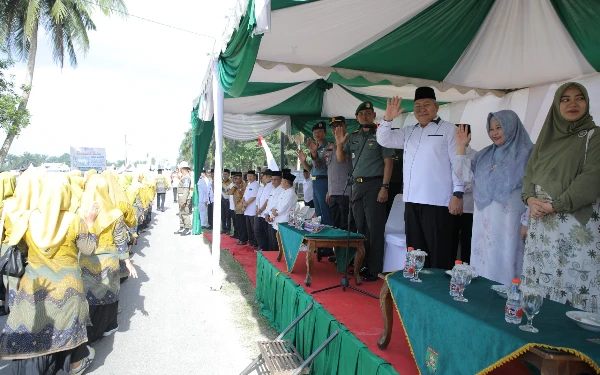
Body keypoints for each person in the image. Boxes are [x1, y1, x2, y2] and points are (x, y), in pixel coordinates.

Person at [0, 174, 98, 374]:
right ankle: (75, 365)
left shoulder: (27, 219)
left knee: (32, 325)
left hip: (35, 284)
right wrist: (90, 225)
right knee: (70, 324)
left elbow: (21, 248)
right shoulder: (74, 220)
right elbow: (88, 249)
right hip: (69, 286)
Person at [522, 82, 600, 311]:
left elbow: (593, 177)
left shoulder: (594, 136)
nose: (572, 103)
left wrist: (555, 205)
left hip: (574, 224)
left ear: (587, 102)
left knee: (575, 281)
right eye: (565, 99)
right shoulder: (545, 139)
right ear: (557, 104)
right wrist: (530, 200)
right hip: (542, 225)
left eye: (579, 98)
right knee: (542, 284)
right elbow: (529, 175)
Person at [377, 89, 464, 270]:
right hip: (412, 201)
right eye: (417, 106)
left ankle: (437, 293)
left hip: (438, 202)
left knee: (439, 253)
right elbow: (384, 140)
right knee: (415, 252)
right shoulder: (409, 131)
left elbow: (458, 164)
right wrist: (387, 119)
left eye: (426, 105)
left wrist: (458, 193)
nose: (422, 109)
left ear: (436, 107)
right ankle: (418, 289)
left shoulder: (449, 130)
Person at [454, 111, 532, 285]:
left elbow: (533, 189)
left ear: (512, 127)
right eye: (491, 129)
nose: (494, 132)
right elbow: (464, 176)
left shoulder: (528, 153)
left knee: (508, 263)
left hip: (511, 222)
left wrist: (528, 221)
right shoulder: (484, 155)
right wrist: (461, 148)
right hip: (485, 222)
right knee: (485, 261)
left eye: (499, 127)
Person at [335, 102, 394, 281]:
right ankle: (362, 263)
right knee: (360, 227)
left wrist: (385, 187)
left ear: (374, 114)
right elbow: (341, 158)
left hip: (374, 185)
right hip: (356, 186)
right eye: (361, 114)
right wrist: (338, 144)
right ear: (357, 117)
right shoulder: (353, 137)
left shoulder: (381, 135)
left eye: (368, 113)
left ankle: (375, 268)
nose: (365, 116)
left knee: (374, 228)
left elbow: (388, 162)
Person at [79, 175, 138, 345]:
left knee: (89, 296)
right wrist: (127, 261)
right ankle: (108, 326)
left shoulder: (79, 212)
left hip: (86, 260)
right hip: (109, 262)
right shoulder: (115, 213)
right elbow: (120, 241)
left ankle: (89, 330)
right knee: (109, 295)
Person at [298, 122, 333, 225]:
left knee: (325, 209)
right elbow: (311, 170)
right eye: (314, 132)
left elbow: (319, 166)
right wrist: (303, 161)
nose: (317, 134)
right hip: (315, 181)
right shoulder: (314, 148)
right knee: (318, 210)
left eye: (319, 132)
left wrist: (314, 153)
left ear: (325, 133)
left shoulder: (329, 147)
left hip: (324, 181)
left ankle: (328, 233)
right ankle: (320, 231)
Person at [453, 124, 477, 264]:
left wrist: (457, 187)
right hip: (450, 206)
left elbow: (471, 182)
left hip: (469, 207)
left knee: (468, 242)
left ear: (469, 137)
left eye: (462, 134)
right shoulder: (449, 153)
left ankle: (467, 269)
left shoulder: (476, 155)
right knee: (451, 241)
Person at [266, 172, 298, 249]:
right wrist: (272, 213)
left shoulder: (291, 193)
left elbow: (281, 209)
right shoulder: (284, 191)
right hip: (276, 221)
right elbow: (275, 205)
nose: (281, 182)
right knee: (273, 243)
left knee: (279, 245)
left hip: (283, 221)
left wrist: (274, 213)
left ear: (286, 183)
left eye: (282, 181)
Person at [264, 171, 284, 251]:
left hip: (276, 219)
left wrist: (271, 216)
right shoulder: (273, 189)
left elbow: (278, 206)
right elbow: (269, 203)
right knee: (270, 240)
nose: (273, 181)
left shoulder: (282, 190)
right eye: (272, 179)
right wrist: (266, 213)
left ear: (281, 180)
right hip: (269, 218)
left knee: (276, 242)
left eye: (275, 179)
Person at [255, 169, 273, 251]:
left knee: (263, 232)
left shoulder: (270, 186)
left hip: (264, 213)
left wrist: (261, 210)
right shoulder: (265, 186)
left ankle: (264, 247)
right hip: (260, 212)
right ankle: (262, 246)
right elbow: (259, 199)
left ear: (266, 176)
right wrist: (257, 208)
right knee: (258, 230)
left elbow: (267, 201)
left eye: (262, 176)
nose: (261, 178)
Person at [227, 172, 247, 245]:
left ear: (241, 178)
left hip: (242, 207)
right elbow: (229, 192)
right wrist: (235, 186)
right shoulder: (234, 185)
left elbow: (241, 195)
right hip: (236, 208)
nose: (234, 180)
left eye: (236, 178)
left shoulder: (244, 185)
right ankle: (240, 237)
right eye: (234, 178)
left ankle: (243, 239)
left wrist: (239, 188)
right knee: (238, 223)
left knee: (242, 224)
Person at [175, 161, 192, 236]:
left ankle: (187, 228)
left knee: (185, 213)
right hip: (181, 198)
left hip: (184, 198)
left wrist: (183, 200)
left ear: (182, 169)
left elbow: (185, 189)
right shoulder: (184, 177)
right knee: (181, 213)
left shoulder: (186, 178)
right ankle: (182, 227)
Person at [243, 170, 259, 247]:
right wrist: (243, 202)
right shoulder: (248, 184)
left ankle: (255, 242)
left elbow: (253, 197)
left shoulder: (256, 185)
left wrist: (245, 204)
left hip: (252, 209)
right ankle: (251, 240)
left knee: (253, 227)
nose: (249, 177)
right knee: (248, 227)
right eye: (248, 176)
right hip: (246, 209)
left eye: (251, 176)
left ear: (255, 177)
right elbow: (245, 196)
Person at [221, 169, 233, 234]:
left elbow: (227, 190)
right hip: (222, 200)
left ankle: (228, 229)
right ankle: (223, 228)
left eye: (226, 174)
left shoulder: (231, 182)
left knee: (228, 215)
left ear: (228, 175)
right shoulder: (221, 182)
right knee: (223, 215)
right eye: (224, 174)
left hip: (228, 200)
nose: (224, 175)